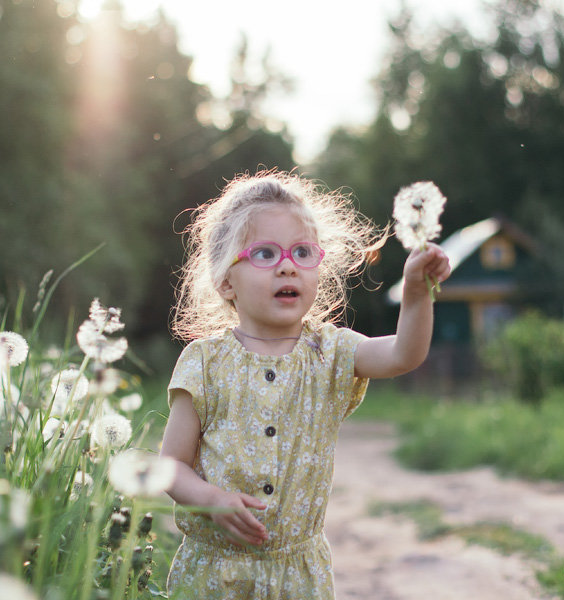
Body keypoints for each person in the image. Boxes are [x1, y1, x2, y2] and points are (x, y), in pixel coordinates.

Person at [159, 170, 451, 599]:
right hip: (213, 576)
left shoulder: (329, 351)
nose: (286, 266)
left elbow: (403, 354)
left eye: (301, 252)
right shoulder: (205, 362)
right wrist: (209, 498)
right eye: (264, 254)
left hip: (297, 577)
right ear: (225, 279)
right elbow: (171, 466)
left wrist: (415, 292)